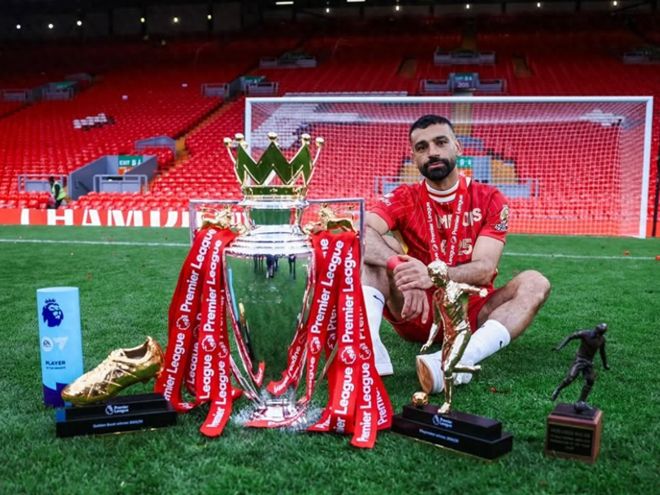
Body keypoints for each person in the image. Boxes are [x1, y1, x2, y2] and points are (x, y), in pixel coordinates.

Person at [362, 114, 551, 394]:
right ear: (414, 157)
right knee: (375, 248)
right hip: (414, 310)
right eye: (422, 147)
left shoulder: (489, 198)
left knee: (535, 281)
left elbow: (485, 269)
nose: (432, 152)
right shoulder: (403, 197)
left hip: (470, 315)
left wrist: (430, 275)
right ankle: (367, 348)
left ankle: (460, 357)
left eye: (440, 142)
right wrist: (400, 268)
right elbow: (361, 233)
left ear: (457, 147)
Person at [551, 323, 609, 412]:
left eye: (601, 334)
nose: (598, 335)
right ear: (596, 329)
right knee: (570, 378)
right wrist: (559, 347)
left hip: (589, 362)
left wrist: (605, 364)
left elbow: (602, 353)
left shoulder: (602, 340)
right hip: (580, 359)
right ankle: (558, 389)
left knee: (590, 380)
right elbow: (570, 337)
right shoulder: (585, 333)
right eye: (598, 332)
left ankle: (581, 401)